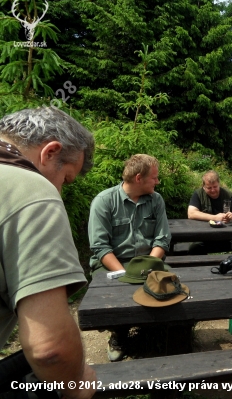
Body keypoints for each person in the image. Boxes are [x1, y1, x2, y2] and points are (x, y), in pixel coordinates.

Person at [0, 106, 96, 398]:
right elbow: (50, 350)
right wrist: (76, 386)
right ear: (50, 153)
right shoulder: (32, 191)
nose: (60, 191)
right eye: (65, 179)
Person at [88, 153, 171, 361]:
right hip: (112, 264)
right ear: (138, 178)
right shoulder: (104, 201)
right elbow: (100, 247)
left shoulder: (156, 200)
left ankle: (153, 332)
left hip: (148, 261)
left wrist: (148, 267)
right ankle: (119, 334)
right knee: (119, 292)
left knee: (169, 288)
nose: (158, 181)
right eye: (154, 177)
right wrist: (125, 274)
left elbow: (162, 240)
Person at [187, 170, 232, 254]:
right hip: (204, 236)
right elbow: (191, 213)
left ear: (219, 184)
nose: (213, 190)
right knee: (194, 248)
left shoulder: (228, 194)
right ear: (203, 187)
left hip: (226, 236)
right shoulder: (198, 194)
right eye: (209, 188)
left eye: (215, 187)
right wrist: (215, 217)